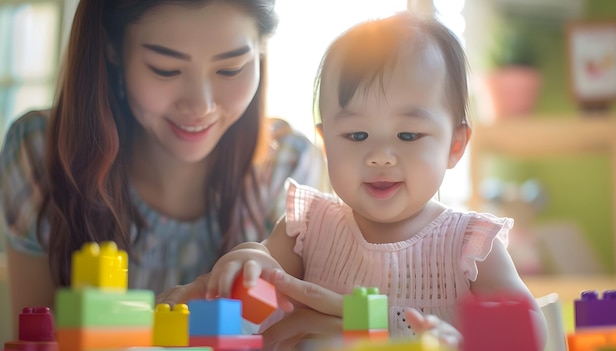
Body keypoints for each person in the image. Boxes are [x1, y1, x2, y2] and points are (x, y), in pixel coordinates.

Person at [159, 11, 548, 350]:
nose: (379, 155)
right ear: (326, 143)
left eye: (408, 135)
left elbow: (532, 335)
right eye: (356, 136)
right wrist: (248, 259)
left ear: (455, 145)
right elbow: (262, 280)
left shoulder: (470, 247)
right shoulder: (308, 229)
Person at [0, 0, 330, 339]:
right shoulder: (40, 151)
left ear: (260, 50)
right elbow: (34, 338)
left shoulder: (288, 168)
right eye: (165, 69)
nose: (200, 106)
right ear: (112, 47)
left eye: (231, 68)